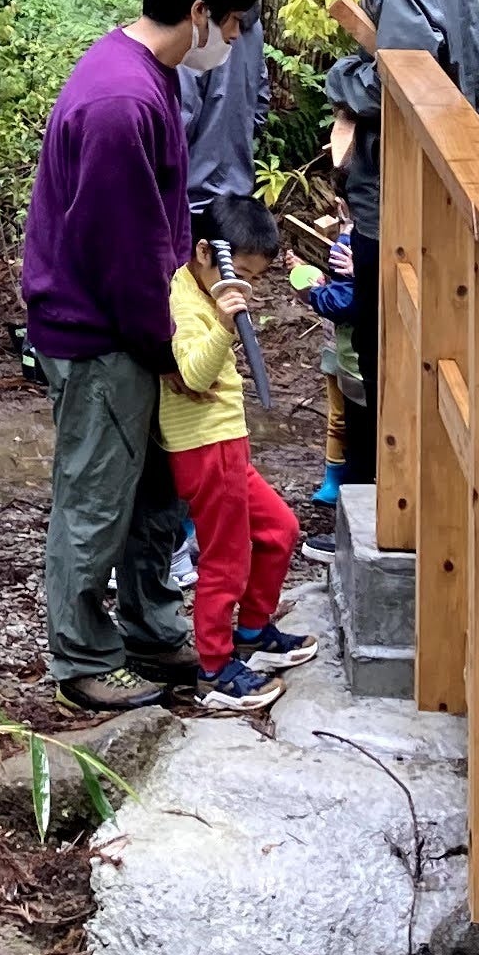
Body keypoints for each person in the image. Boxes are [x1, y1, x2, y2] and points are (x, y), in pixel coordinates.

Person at [25, 0, 266, 715]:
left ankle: (150, 627)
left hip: (138, 325)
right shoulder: (121, 102)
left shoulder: (147, 73)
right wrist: (166, 351)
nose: (233, 40)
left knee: (154, 493)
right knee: (97, 496)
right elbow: (119, 252)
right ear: (198, 13)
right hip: (101, 333)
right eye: (231, 24)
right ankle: (83, 658)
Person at [303, 0, 479, 487]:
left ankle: (389, 500)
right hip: (432, 189)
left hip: (401, 205)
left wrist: (342, 80)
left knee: (388, 354)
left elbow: (409, 84)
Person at [162, 249, 305, 713]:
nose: (247, 286)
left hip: (226, 441)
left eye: (254, 278)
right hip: (205, 445)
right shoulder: (182, 300)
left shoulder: (201, 288)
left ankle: (253, 633)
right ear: (206, 252)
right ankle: (215, 670)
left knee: (279, 530)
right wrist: (225, 325)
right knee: (226, 560)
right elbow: (193, 376)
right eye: (240, 273)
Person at [106, 0, 266, 256]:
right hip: (232, 195)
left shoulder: (185, 16)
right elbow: (259, 99)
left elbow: (174, 117)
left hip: (183, 204)